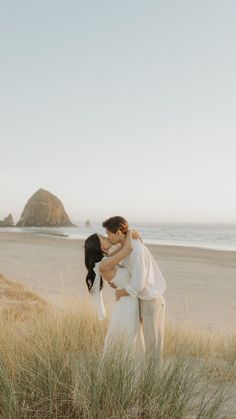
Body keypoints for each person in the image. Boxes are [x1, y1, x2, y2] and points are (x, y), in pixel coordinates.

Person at [102, 216, 166, 362]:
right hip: (142, 301)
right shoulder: (129, 248)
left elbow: (138, 284)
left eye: (109, 234)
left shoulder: (136, 250)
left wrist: (121, 291)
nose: (108, 237)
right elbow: (121, 266)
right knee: (146, 348)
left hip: (151, 301)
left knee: (152, 351)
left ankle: (153, 384)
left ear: (118, 232)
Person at [84, 231, 144, 356]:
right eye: (103, 238)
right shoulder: (104, 265)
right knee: (126, 343)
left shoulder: (108, 258)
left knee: (130, 342)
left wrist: (134, 236)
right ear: (98, 246)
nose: (106, 237)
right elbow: (128, 249)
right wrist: (129, 231)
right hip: (126, 306)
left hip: (128, 303)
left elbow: (124, 247)